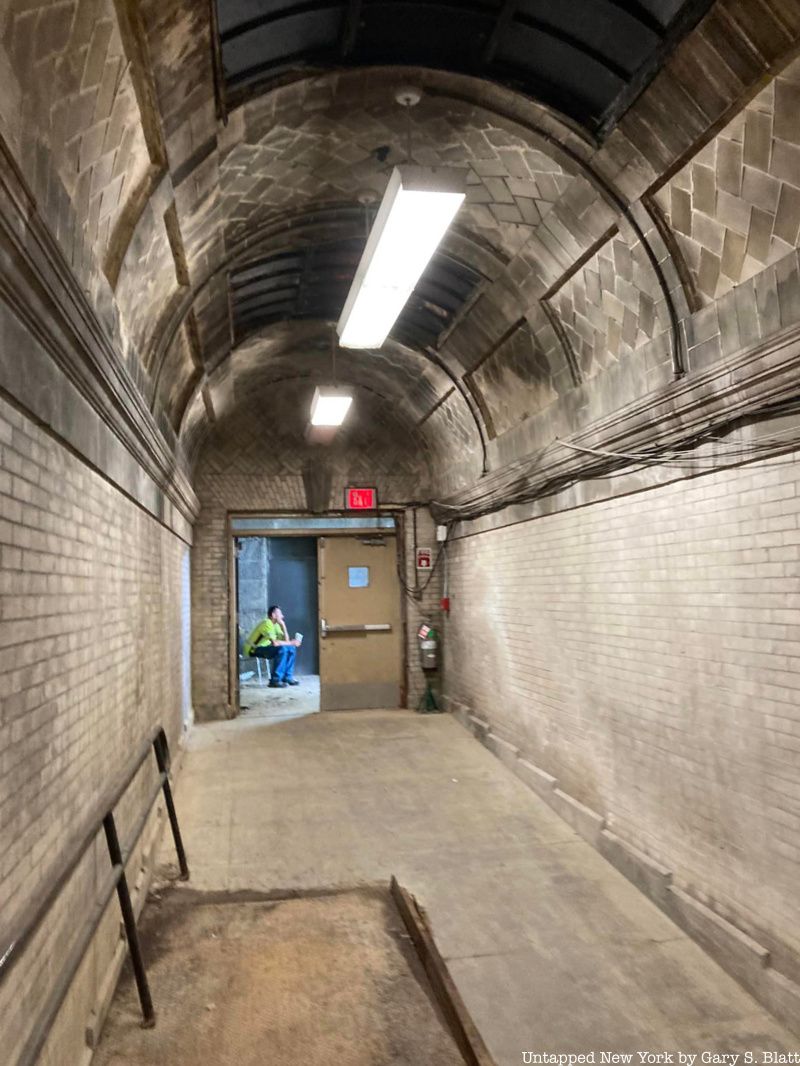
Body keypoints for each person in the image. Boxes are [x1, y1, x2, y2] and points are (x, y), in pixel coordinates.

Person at [244, 605, 300, 688]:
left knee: (291, 648)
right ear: (273, 615)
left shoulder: (276, 625)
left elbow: (286, 641)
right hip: (254, 649)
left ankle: (287, 677)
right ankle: (275, 680)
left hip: (265, 648)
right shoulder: (267, 623)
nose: (282, 616)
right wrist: (291, 643)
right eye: (280, 613)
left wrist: (283, 626)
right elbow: (275, 643)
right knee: (282, 649)